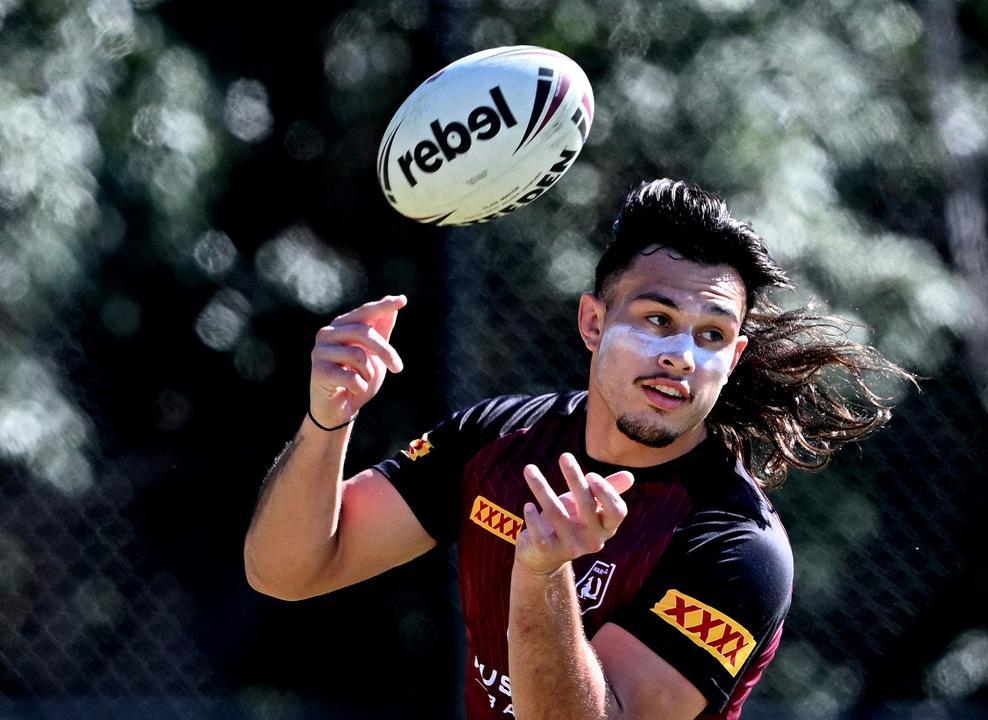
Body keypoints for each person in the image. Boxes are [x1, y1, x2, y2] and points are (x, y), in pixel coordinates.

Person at [243, 179, 912, 720]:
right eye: (657, 320)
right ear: (593, 322)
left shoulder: (737, 548)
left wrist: (541, 573)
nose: (681, 356)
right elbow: (287, 571)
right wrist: (326, 421)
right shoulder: (498, 440)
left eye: (710, 336)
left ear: (734, 359)